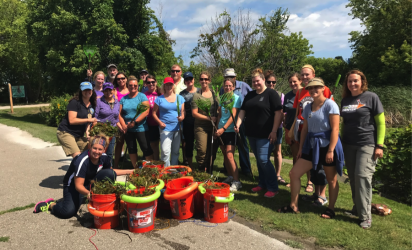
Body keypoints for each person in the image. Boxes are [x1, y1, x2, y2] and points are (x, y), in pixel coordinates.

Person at [279, 78, 343, 219]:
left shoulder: (330, 105)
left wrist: (331, 150)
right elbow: (305, 129)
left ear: (323, 88)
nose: (313, 90)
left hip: (327, 145)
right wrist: (301, 147)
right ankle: (293, 205)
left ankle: (331, 208)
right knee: (294, 174)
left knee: (331, 179)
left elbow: (335, 129)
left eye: (317, 88)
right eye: (311, 88)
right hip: (311, 145)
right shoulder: (308, 106)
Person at [33, 135, 134, 218]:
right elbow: (78, 186)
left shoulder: (104, 157)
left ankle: (94, 199)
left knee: (109, 174)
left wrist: (130, 171)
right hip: (73, 186)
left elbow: (111, 172)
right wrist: (89, 193)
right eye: (94, 148)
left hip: (88, 182)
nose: (97, 151)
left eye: (100, 149)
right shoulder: (82, 161)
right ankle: (50, 204)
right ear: (90, 147)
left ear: (104, 149)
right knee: (68, 212)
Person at [340, 70, 385, 229]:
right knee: (353, 177)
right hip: (348, 144)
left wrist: (379, 145)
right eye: (349, 81)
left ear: (362, 82)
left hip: (367, 144)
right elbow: (343, 122)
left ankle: (366, 217)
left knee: (362, 176)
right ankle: (357, 208)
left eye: (355, 81)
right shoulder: (345, 100)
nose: (352, 84)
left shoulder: (371, 97)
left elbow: (381, 123)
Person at [235, 68, 283, 198]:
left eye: (258, 81)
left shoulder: (271, 94)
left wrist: (274, 131)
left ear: (263, 80)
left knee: (263, 160)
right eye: (253, 81)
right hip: (252, 133)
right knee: (259, 160)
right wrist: (238, 124)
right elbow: (243, 111)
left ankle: (273, 187)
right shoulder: (250, 95)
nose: (256, 83)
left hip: (266, 134)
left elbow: (279, 113)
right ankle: (262, 183)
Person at [292, 64, 333, 206]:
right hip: (306, 132)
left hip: (322, 135)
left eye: (307, 75)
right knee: (313, 165)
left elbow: (331, 113)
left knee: (321, 165)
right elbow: (298, 112)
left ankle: (322, 194)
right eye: (302, 75)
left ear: (313, 75)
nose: (304, 77)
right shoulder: (300, 91)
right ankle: (315, 192)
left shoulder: (324, 89)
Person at [219, 68, 253, 177]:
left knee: (241, 145)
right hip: (222, 126)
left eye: (231, 77)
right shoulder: (222, 93)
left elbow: (252, 96)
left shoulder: (243, 86)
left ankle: (245, 170)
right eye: (226, 78)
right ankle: (229, 173)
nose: (228, 86)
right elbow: (221, 111)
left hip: (238, 122)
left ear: (235, 78)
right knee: (226, 153)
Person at [119, 75, 153, 167]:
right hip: (128, 129)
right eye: (130, 85)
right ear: (128, 86)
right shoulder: (124, 99)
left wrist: (135, 122)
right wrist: (124, 125)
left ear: (138, 86)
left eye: (135, 85)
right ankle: (135, 168)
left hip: (140, 128)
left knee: (146, 148)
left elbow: (145, 111)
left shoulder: (142, 97)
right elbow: (119, 114)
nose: (133, 87)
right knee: (131, 148)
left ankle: (149, 168)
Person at [57, 82, 97, 158]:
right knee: (78, 156)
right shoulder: (75, 102)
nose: (87, 92)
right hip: (66, 132)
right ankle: (77, 169)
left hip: (79, 135)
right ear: (81, 91)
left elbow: (89, 121)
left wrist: (88, 133)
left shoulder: (92, 105)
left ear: (92, 90)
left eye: (89, 89)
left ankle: (86, 169)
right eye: (85, 90)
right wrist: (89, 120)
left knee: (92, 150)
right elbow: (72, 120)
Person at [215, 78, 242, 191]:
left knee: (230, 155)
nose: (228, 88)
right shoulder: (222, 98)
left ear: (234, 87)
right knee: (225, 154)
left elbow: (233, 115)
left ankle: (237, 181)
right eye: (226, 86)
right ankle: (230, 176)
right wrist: (216, 128)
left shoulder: (236, 98)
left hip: (230, 130)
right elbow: (220, 115)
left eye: (230, 86)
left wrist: (224, 128)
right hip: (220, 130)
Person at [152, 77, 185, 167]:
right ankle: (165, 169)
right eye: (167, 84)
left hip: (177, 127)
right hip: (165, 128)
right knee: (165, 151)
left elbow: (183, 112)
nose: (169, 86)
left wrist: (182, 118)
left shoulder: (180, 98)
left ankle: (173, 169)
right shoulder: (159, 99)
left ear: (173, 86)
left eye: (170, 84)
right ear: (164, 86)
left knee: (175, 151)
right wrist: (159, 122)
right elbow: (154, 113)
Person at [192, 71, 219, 172]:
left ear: (209, 80)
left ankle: (209, 169)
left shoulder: (214, 94)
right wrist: (209, 118)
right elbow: (194, 113)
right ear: (199, 81)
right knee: (202, 150)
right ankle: (201, 169)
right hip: (201, 127)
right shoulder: (197, 95)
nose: (204, 81)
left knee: (211, 150)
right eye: (202, 79)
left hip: (213, 127)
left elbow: (218, 109)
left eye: (206, 79)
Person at [264, 70, 286, 185]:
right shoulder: (262, 94)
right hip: (265, 127)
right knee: (265, 152)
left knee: (277, 152)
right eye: (269, 82)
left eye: (273, 82)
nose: (271, 84)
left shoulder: (281, 95)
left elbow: (283, 112)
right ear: (265, 82)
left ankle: (277, 174)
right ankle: (266, 174)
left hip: (278, 127)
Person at [95, 83, 120, 162]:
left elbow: (117, 118)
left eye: (110, 90)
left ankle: (108, 169)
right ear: (103, 91)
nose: (108, 92)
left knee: (110, 152)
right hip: (101, 130)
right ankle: (98, 167)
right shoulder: (99, 101)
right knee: (100, 151)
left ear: (113, 90)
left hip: (112, 131)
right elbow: (95, 117)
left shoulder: (117, 103)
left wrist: (121, 128)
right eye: (106, 90)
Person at [179, 72, 198, 168]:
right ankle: (190, 166)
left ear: (193, 80)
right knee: (189, 145)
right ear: (184, 81)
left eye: (190, 79)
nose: (189, 81)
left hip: (199, 121)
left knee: (201, 145)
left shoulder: (199, 91)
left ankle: (201, 165)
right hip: (188, 122)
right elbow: (182, 109)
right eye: (187, 79)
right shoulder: (182, 94)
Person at [284, 73, 303, 166]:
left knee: (306, 155)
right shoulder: (287, 96)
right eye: (290, 82)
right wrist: (287, 131)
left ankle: (309, 180)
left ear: (300, 81)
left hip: (304, 129)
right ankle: (295, 179)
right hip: (291, 129)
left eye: (295, 81)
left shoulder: (307, 93)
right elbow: (285, 114)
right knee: (295, 155)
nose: (292, 83)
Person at [113, 72, 129, 168]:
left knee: (131, 143)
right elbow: (115, 107)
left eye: (122, 78)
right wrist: (121, 124)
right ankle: (115, 164)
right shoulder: (115, 91)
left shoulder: (131, 88)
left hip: (130, 119)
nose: (121, 80)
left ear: (126, 78)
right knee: (119, 143)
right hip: (119, 119)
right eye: (118, 79)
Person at [144, 75, 162, 160]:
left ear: (156, 82)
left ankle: (163, 162)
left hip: (162, 122)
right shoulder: (144, 95)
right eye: (148, 82)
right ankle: (156, 162)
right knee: (154, 144)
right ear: (146, 84)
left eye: (153, 82)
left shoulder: (161, 94)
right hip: (150, 123)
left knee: (163, 145)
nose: (151, 84)